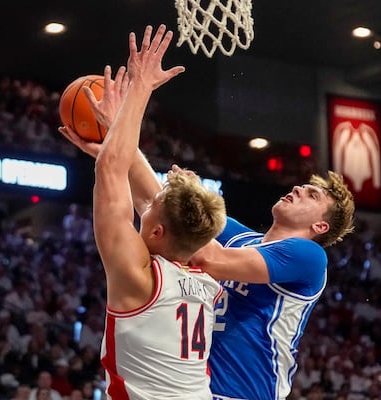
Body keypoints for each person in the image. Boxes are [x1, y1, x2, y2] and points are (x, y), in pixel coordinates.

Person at [61, 27, 355, 400]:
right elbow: (167, 215)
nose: (297, 188)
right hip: (194, 388)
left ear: (320, 225)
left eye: (311, 194)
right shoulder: (242, 238)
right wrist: (117, 138)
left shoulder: (309, 257)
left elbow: (203, 253)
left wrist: (132, 164)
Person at [59, 25, 227, 400]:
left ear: (156, 233)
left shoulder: (138, 276)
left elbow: (112, 169)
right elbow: (124, 174)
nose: (144, 204)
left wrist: (141, 88)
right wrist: (115, 138)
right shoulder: (206, 279)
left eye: (149, 209)